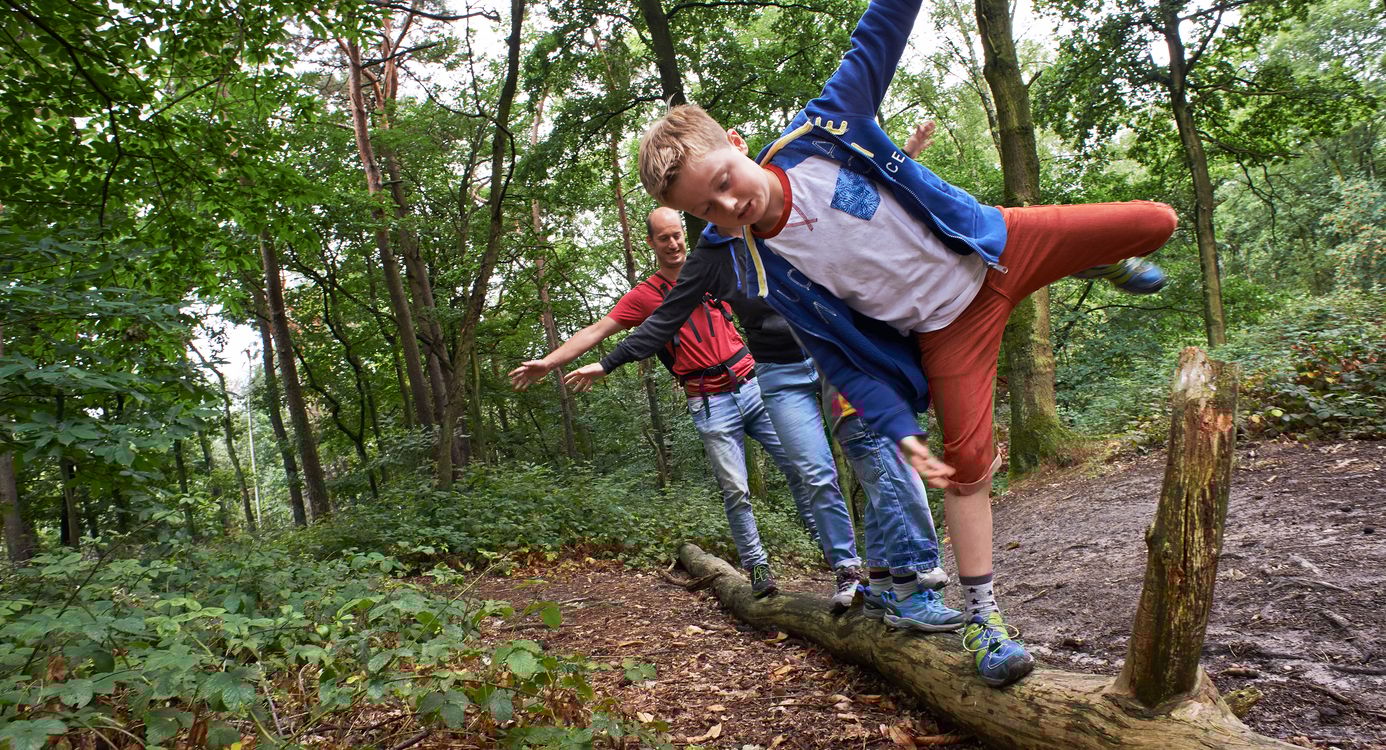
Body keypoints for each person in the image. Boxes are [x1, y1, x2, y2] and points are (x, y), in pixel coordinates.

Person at [635, 0, 1177, 687]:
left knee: (1155, 221)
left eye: (723, 184)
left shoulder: (829, 125)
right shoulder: (770, 273)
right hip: (952, 330)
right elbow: (839, 364)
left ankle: (1086, 259)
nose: (727, 207)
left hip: (997, 247)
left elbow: (881, 28)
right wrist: (897, 428)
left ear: (738, 144)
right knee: (966, 464)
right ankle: (984, 621)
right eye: (706, 209)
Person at [566, 123, 962, 629]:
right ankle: (856, 574)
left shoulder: (780, 199)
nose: (727, 207)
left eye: (676, 232)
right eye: (703, 208)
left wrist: (900, 156)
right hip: (772, 375)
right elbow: (656, 321)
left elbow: (850, 206)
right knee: (817, 473)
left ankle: (890, 581)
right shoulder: (712, 256)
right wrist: (603, 362)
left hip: (828, 357)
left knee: (872, 452)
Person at [511, 208, 813, 599]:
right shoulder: (646, 296)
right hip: (709, 401)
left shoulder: (714, 268)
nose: (673, 244)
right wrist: (551, 362)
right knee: (736, 490)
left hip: (754, 385)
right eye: (664, 238)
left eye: (677, 236)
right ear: (651, 243)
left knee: (803, 467)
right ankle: (758, 568)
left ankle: (838, 559)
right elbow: (598, 330)